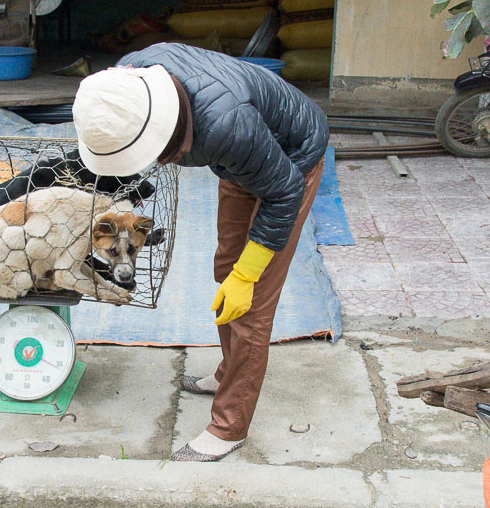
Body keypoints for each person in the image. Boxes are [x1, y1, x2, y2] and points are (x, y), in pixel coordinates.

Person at [71, 43, 330, 462]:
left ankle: (229, 428)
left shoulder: (225, 127)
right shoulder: (124, 83)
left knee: (250, 301)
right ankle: (228, 372)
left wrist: (248, 276)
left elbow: (284, 192)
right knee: (225, 267)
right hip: (244, 158)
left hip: (289, 162)